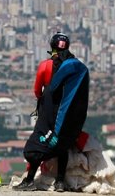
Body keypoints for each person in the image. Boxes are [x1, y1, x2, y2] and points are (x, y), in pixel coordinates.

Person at [15, 32, 89, 192]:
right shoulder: (71, 65)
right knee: (62, 144)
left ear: (51, 46)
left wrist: (44, 100)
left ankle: (29, 180)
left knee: (39, 140)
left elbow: (37, 90)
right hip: (65, 110)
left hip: (48, 110)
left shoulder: (45, 66)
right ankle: (60, 181)